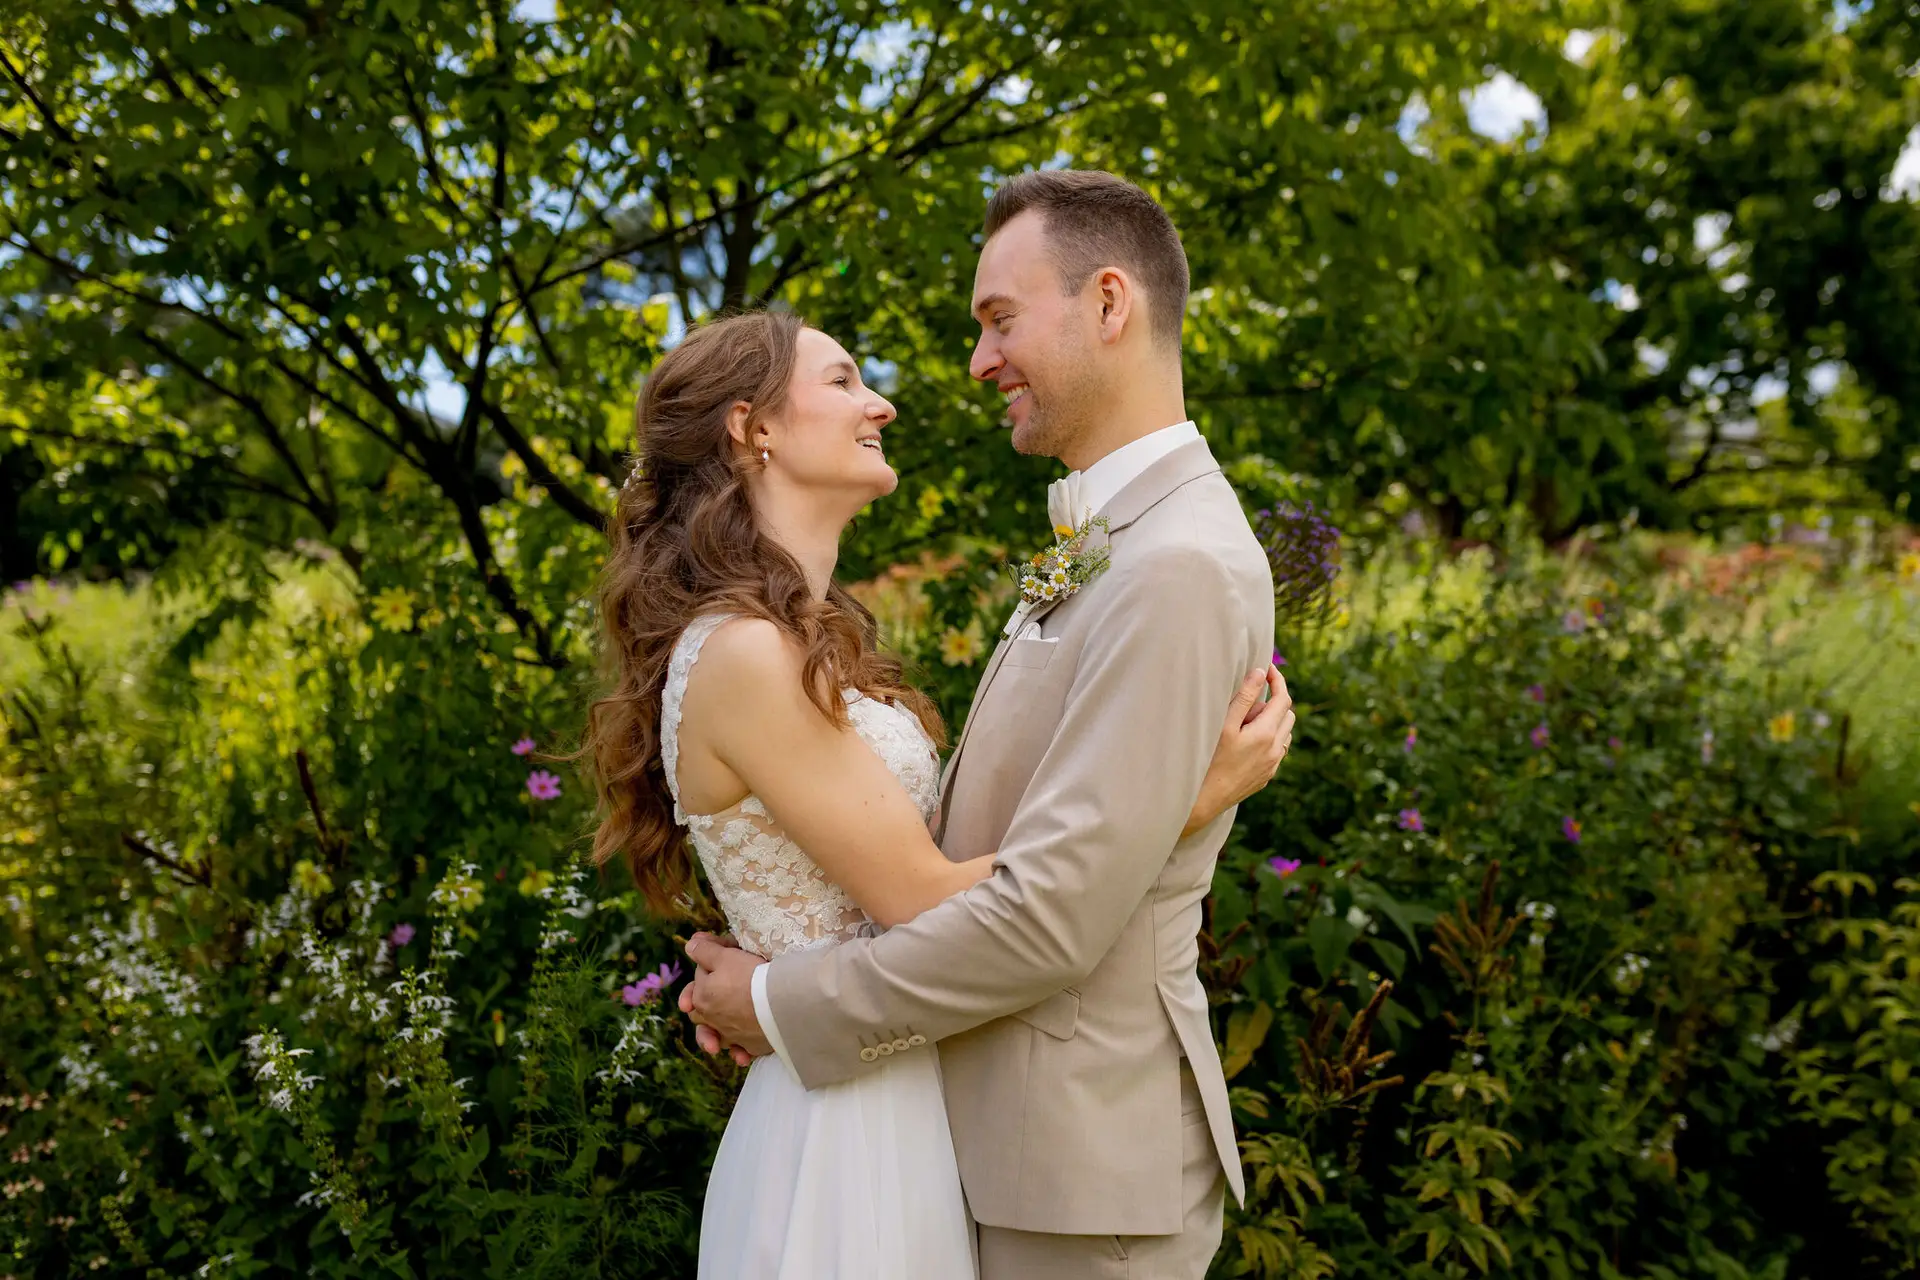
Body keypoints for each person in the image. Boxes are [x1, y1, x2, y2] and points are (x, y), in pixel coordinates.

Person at [677, 170, 1283, 1278]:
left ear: (1109, 305)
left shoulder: (1175, 565)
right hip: (980, 1140)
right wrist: (1171, 809)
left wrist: (782, 999)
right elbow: (1013, 853)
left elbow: (1053, 914)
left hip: (1078, 1170)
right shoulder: (1109, 542)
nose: (976, 360)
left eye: (1000, 319)